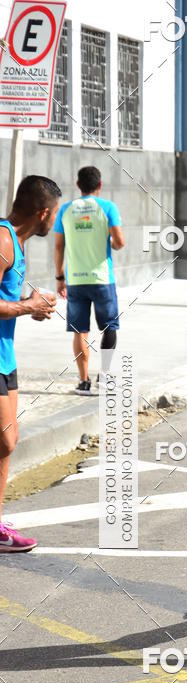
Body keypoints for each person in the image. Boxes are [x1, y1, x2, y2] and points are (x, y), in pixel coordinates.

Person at [0, 175, 61, 552]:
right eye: (54, 213)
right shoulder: (3, 241)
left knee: (7, 443)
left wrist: (31, 305)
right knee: (5, 439)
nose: (54, 220)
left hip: (6, 356)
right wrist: (28, 306)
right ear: (42, 213)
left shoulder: (16, 243)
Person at [54, 166, 125, 395]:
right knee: (110, 326)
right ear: (100, 185)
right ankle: (104, 377)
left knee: (79, 331)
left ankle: (83, 381)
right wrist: (111, 243)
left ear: (78, 185)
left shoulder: (65, 209)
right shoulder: (107, 207)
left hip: (75, 280)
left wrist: (60, 277)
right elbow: (120, 241)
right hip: (102, 278)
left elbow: (58, 246)